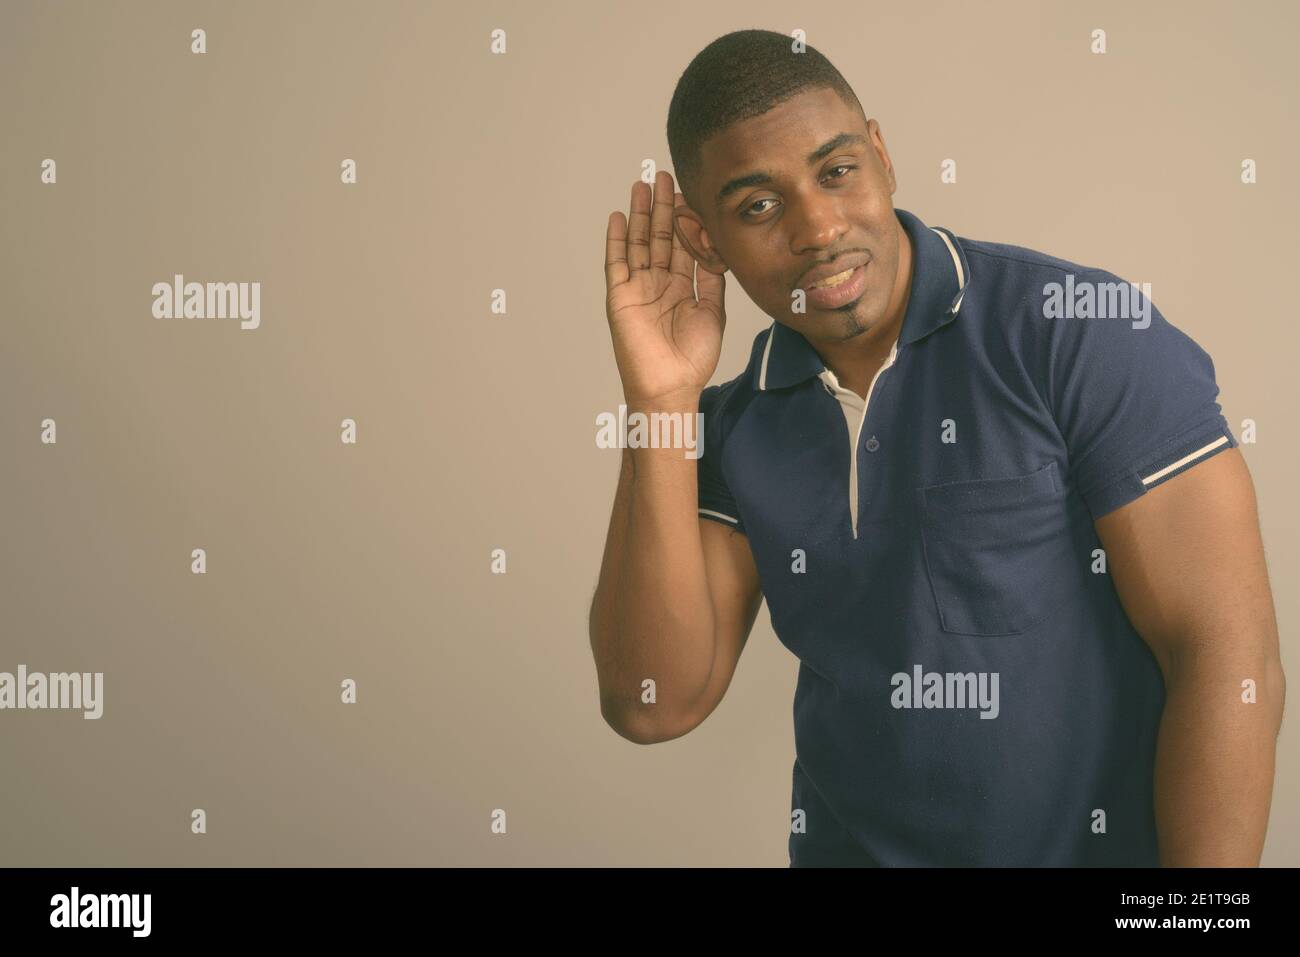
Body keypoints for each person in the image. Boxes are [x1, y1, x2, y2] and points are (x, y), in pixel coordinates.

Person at [588, 29, 1284, 866]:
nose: (818, 227)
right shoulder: (735, 425)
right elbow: (654, 702)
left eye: (837, 171)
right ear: (706, 240)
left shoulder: (1075, 329)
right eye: (759, 207)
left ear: (881, 157)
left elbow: (1225, 655)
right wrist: (660, 401)